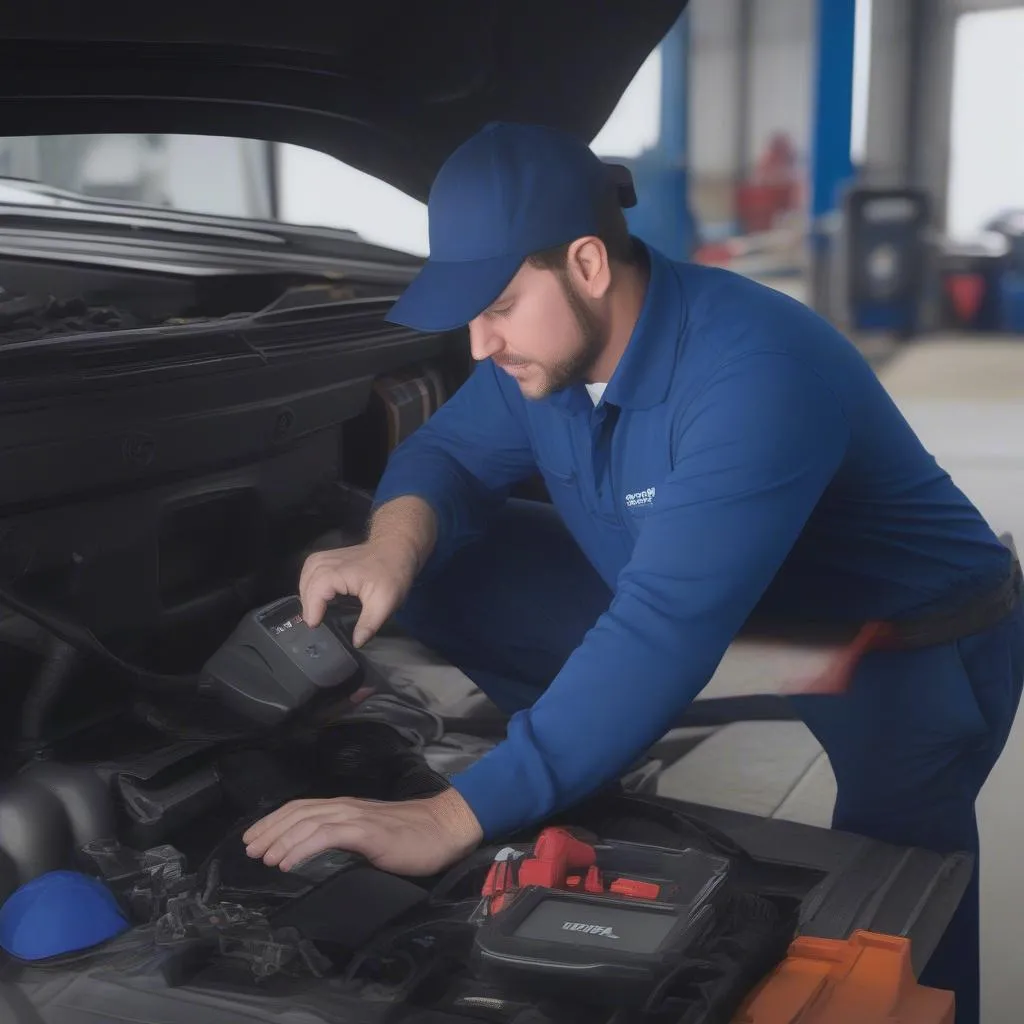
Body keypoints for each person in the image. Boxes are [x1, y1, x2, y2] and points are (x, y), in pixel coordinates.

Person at [243, 122, 1023, 1022]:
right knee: (441, 559)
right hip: (725, 607)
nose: (478, 345)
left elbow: (662, 630)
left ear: (586, 264)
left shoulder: (754, 372)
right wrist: (390, 546)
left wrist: (450, 817)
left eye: (496, 305)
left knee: (902, 918)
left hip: (905, 638)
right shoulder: (543, 351)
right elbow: (447, 459)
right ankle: (580, 766)